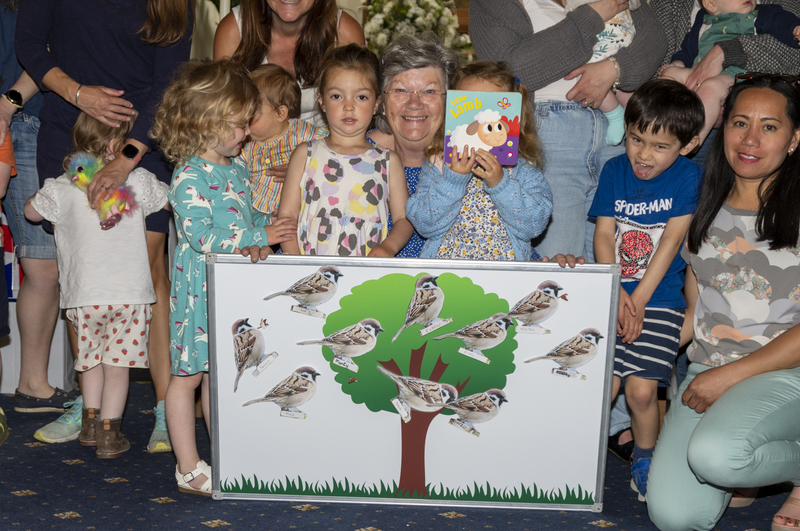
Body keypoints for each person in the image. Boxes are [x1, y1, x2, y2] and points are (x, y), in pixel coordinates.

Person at [15, 0, 193, 452]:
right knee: (84, 270)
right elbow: (29, 44)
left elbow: (169, 83)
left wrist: (125, 159)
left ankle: (165, 408)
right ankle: (91, 406)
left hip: (143, 137)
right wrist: (77, 93)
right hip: (70, 130)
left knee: (147, 271)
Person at [645, 74, 800, 531]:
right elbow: (700, 313)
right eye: (739, 122)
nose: (750, 139)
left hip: (785, 374)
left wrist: (728, 377)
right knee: (673, 517)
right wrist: (633, 349)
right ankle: (744, 464)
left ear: (794, 139)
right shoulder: (699, 205)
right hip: (709, 372)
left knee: (717, 456)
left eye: (769, 127)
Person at [150, 60, 296, 495]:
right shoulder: (189, 176)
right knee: (187, 378)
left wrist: (270, 224)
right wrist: (259, 235)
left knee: (217, 376)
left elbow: (243, 219)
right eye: (239, 124)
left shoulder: (236, 167)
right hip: (198, 293)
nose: (247, 132)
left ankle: (226, 456)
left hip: (229, 288)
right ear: (205, 121)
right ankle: (187, 466)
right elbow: (202, 237)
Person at [470, 0, 666, 262]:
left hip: (623, 135)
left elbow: (655, 39)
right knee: (559, 265)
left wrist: (614, 68)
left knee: (620, 267)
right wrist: (591, 17)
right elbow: (509, 73)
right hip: (550, 138)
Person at [24, 111, 168, 458]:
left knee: (88, 362)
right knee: (116, 368)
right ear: (117, 145)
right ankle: (109, 435)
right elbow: (167, 199)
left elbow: (31, 213)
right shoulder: (140, 180)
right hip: (129, 297)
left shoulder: (62, 185)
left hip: (83, 298)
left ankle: (88, 425)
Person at [589, 79, 704, 501]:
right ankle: (575, 458)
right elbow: (604, 235)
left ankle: (645, 458)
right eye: (636, 139)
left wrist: (637, 300)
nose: (643, 154)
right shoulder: (613, 170)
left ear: (687, 146)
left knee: (640, 391)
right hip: (612, 295)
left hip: (659, 302)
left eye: (659, 146)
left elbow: (672, 241)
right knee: (602, 389)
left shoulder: (689, 176)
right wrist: (616, 289)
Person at [1, 0, 76, 418]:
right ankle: (31, 384)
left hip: (31, 121)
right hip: (22, 122)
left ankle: (32, 382)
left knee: (46, 265)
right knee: (44, 265)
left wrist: (8, 104)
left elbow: (45, 51)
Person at [406, 61, 552, 260]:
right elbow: (424, 224)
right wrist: (452, 180)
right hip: (448, 273)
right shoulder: (438, 165)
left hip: (504, 274)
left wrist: (501, 184)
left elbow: (533, 225)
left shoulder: (523, 170)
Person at [278, 44, 413, 257]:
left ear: (377, 104)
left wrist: (389, 247)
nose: (348, 106)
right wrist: (295, 263)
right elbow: (287, 217)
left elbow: (404, 219)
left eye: (361, 97)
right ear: (321, 101)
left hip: (365, 269)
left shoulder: (388, 161)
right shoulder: (305, 154)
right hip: (308, 268)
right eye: (336, 96)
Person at [367, 33, 460, 257]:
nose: (415, 103)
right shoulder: (354, 155)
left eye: (429, 91)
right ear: (382, 102)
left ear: (449, 101)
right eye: (401, 90)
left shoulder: (467, 159)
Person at [659, 0, 800, 145]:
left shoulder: (761, 14)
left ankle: (694, 139)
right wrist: (677, 64)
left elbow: (782, 22)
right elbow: (688, 49)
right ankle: (661, 125)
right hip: (699, 69)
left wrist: (795, 29)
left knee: (710, 88)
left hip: (734, 74)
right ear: (711, 4)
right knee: (670, 75)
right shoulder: (703, 19)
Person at [213, 0, 365, 127]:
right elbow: (222, 121)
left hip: (326, 149)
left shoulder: (345, 33)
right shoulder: (234, 30)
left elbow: (360, 115)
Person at [242, 64, 327, 222]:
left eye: (251, 111)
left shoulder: (301, 132)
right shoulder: (243, 144)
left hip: (301, 211)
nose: (244, 117)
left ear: (280, 113)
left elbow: (331, 146)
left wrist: (308, 165)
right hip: (259, 213)